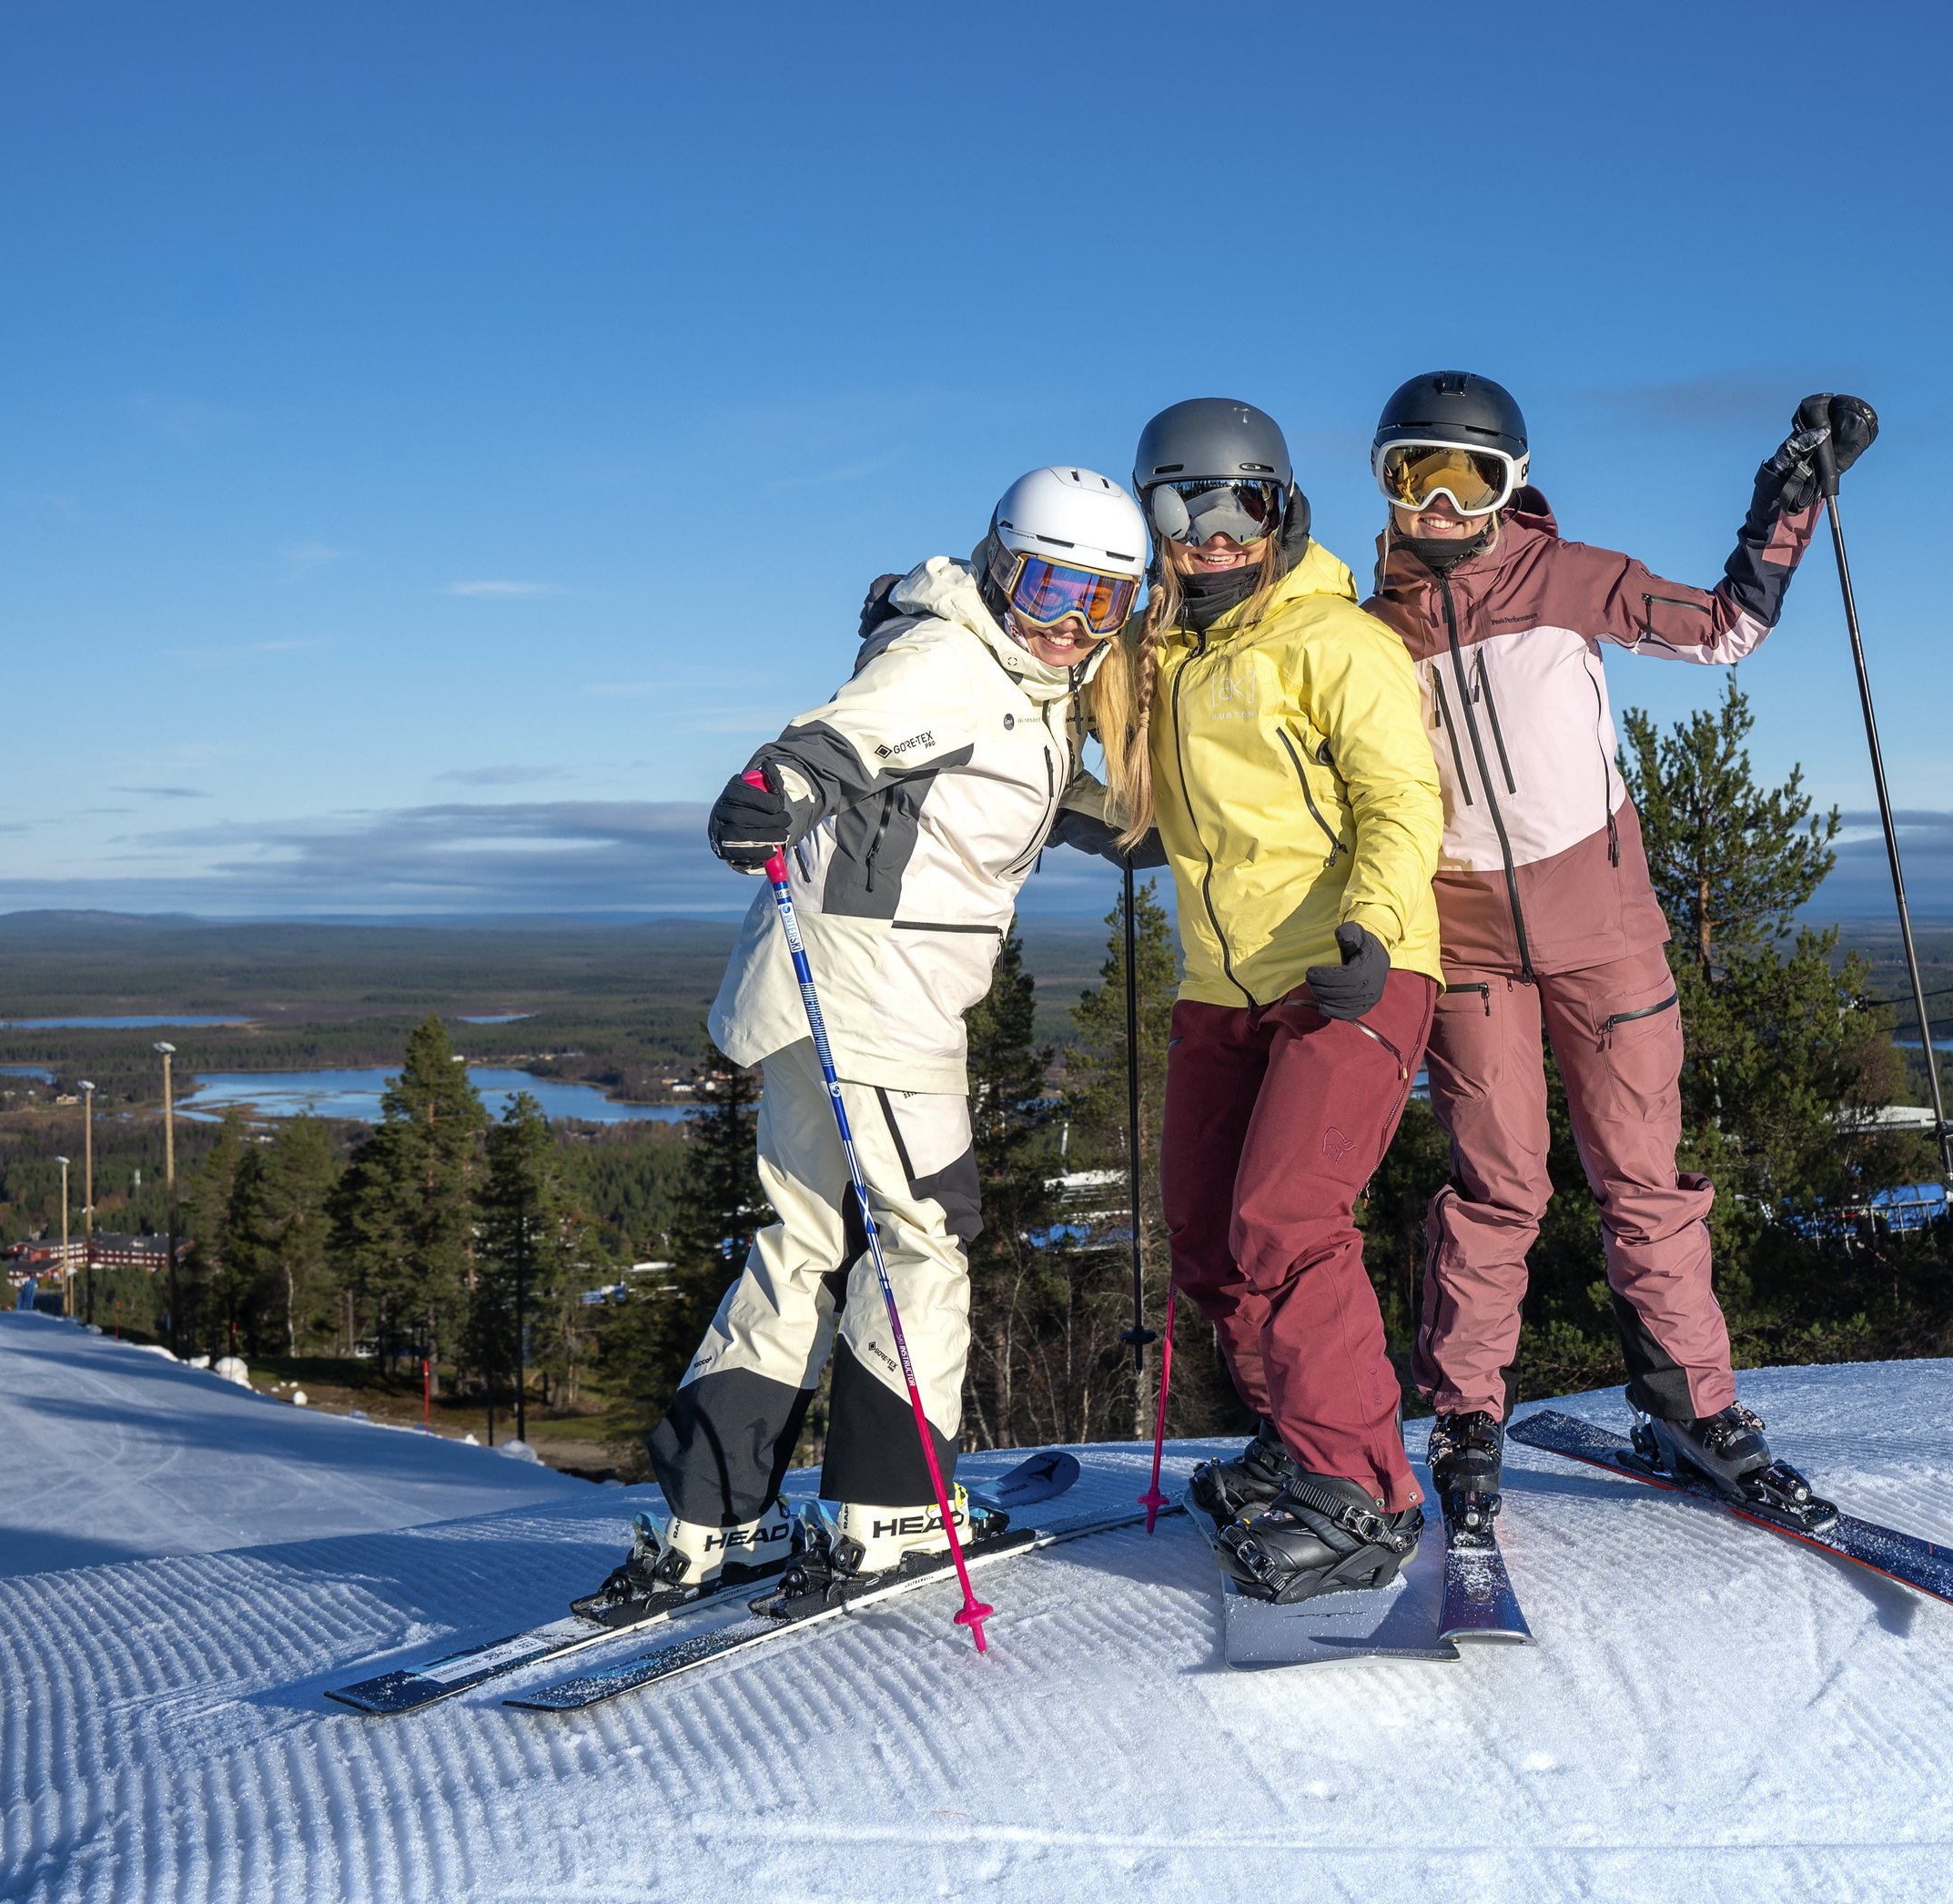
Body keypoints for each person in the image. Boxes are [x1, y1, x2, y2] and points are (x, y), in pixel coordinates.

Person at [577, 466, 1153, 1626]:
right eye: (1047, 587)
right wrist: (766, 791)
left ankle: (716, 1523)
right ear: (1000, 563)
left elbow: (976, 779)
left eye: (1100, 604)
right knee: (923, 1237)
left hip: (816, 991)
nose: (1067, 626)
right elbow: (837, 744)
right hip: (876, 1001)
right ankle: (890, 1512)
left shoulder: (1013, 676)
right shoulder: (947, 657)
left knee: (805, 1242)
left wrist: (1127, 829)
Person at [1358, 371, 1875, 1518]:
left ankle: (1693, 1409)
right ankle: (1464, 1419)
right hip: (1467, 942)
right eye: (1414, 475)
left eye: (1469, 478)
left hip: (1607, 933)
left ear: (1511, 486)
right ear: (1383, 486)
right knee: (1496, 1189)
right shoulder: (1362, 635)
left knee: (1643, 1182)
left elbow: (1728, 630)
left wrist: (1790, 493)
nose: (1440, 505)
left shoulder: (1570, 579)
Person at [1103, 397, 1448, 1605]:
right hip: (1221, 983)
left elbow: (1399, 796)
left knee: (1284, 1223)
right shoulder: (1161, 655)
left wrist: (1372, 926)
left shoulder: (1334, 642)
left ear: (1280, 508)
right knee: (1206, 1237)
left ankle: (1363, 1494)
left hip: (1351, 971)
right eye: (1176, 509)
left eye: (1235, 506)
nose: (1207, 538)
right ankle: (1296, 1440)